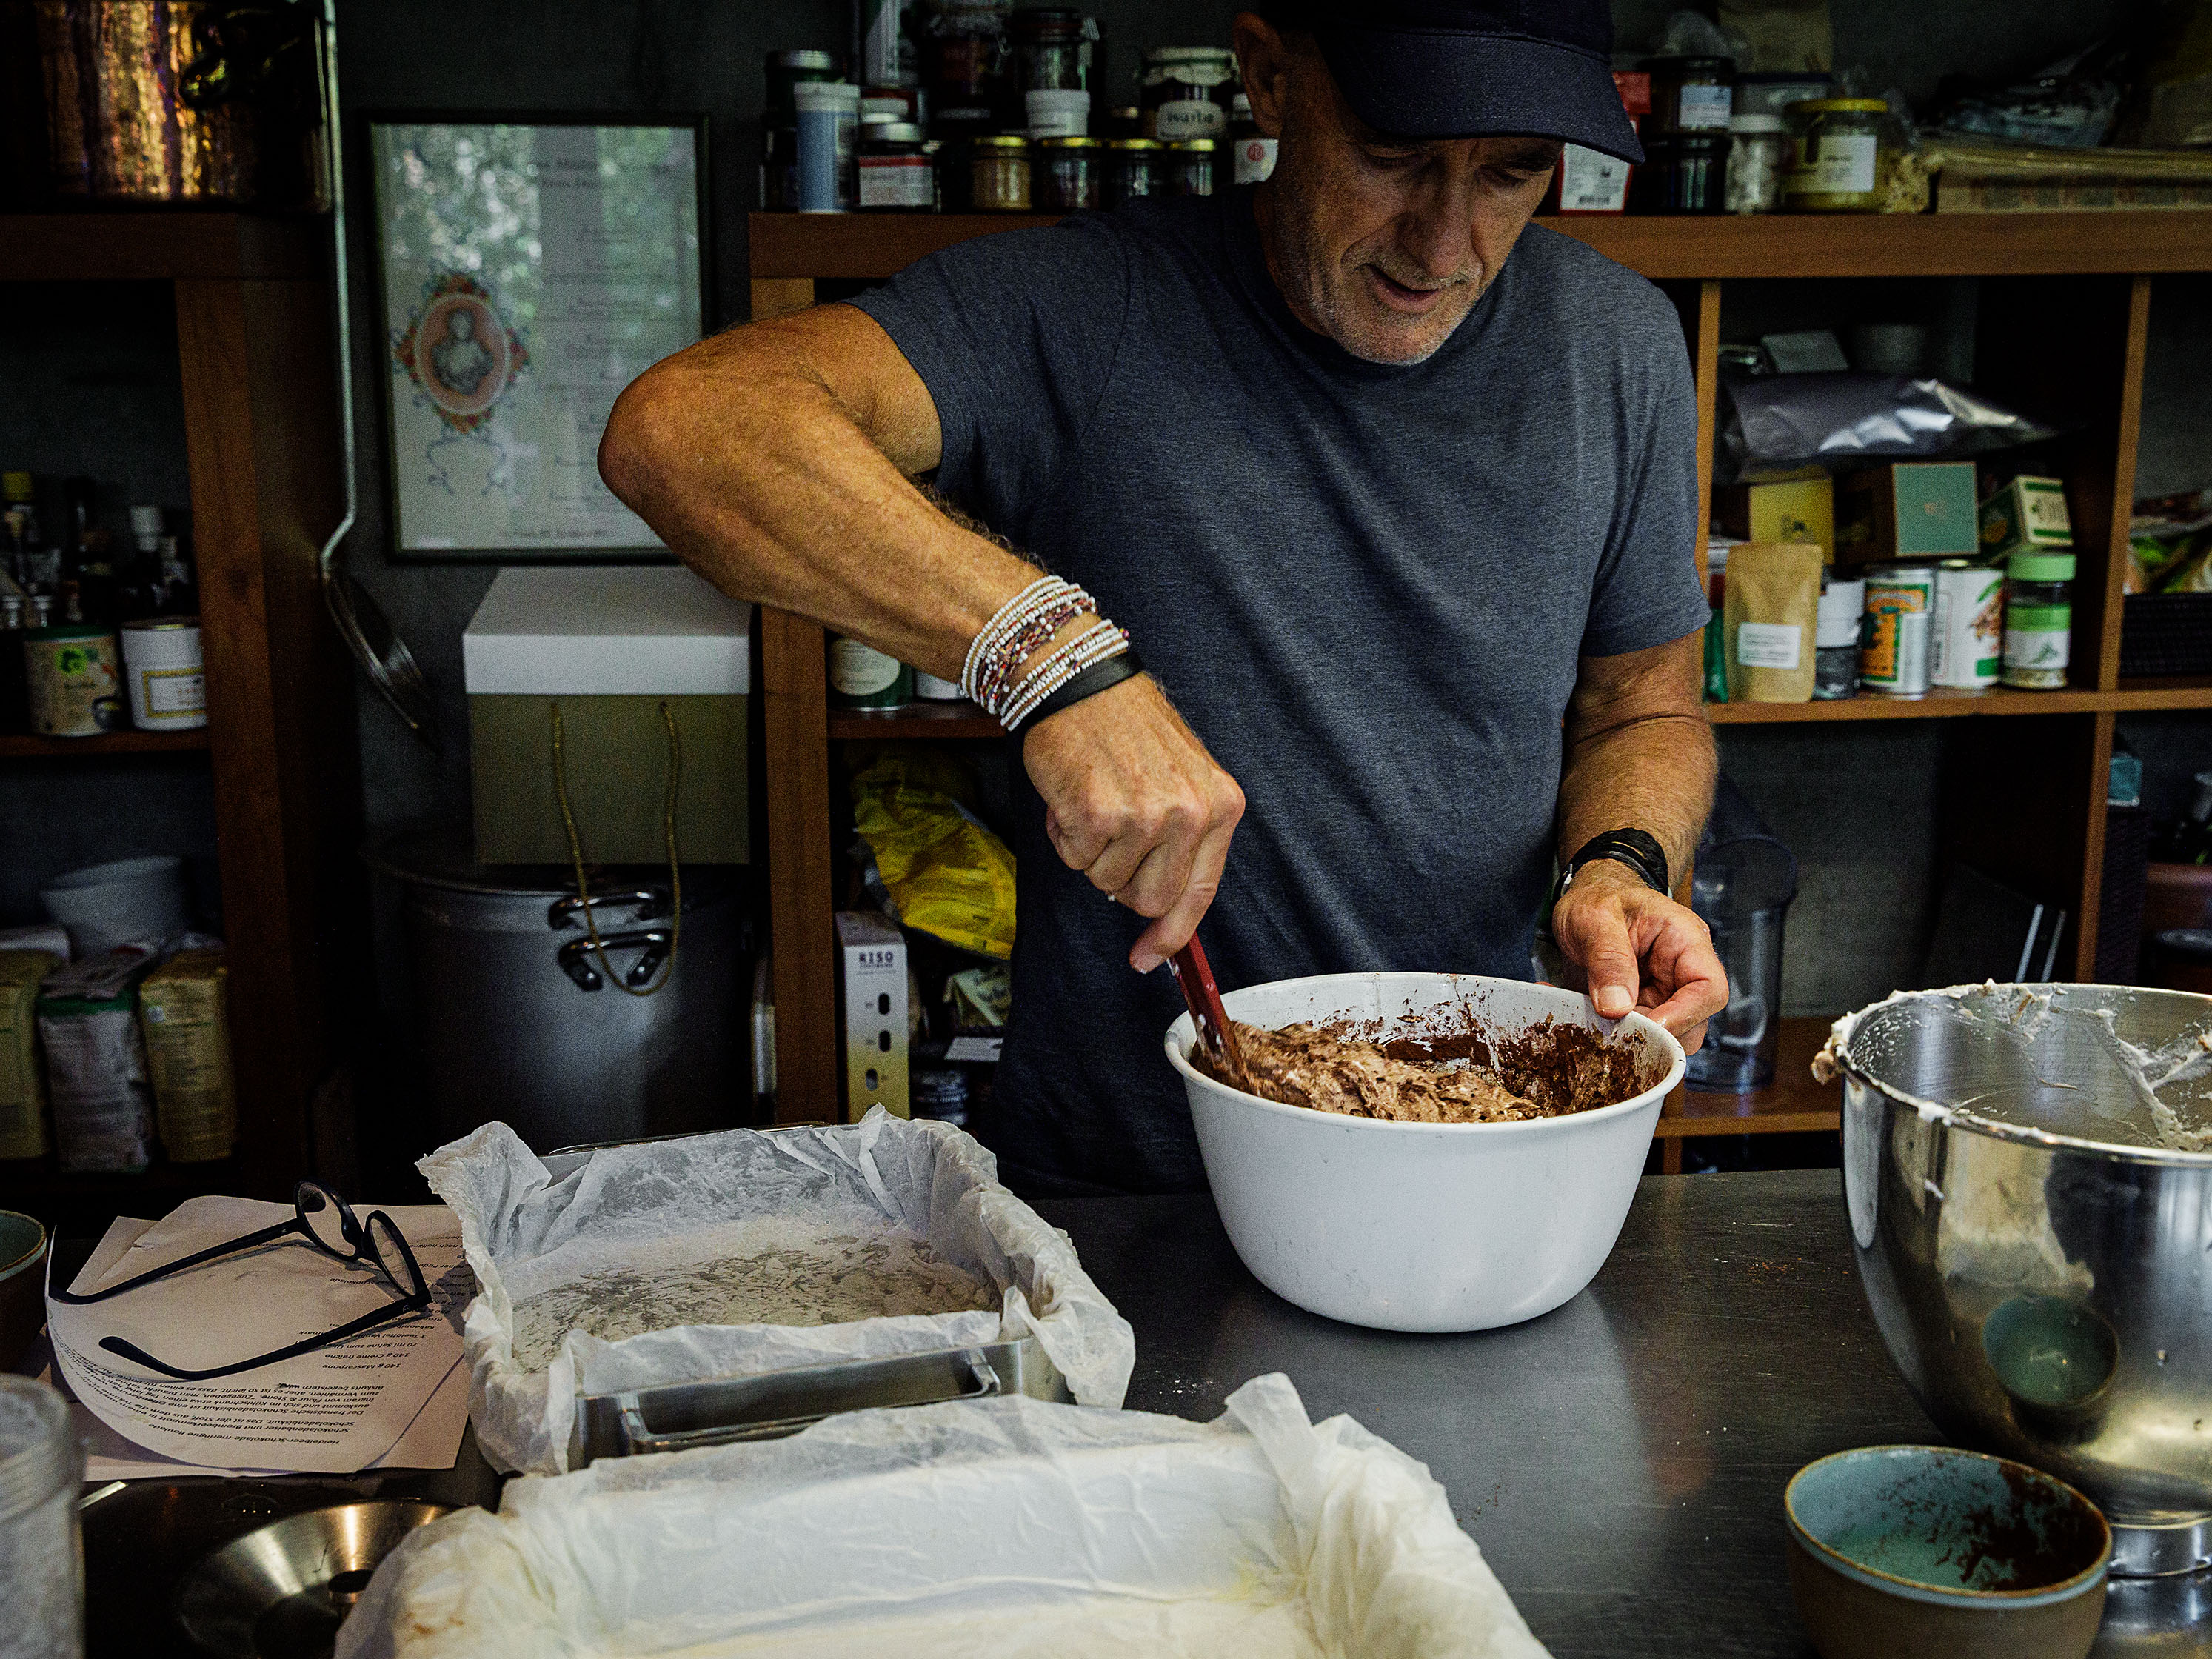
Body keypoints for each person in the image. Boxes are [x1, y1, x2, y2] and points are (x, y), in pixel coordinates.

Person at [599, 0, 1729, 1196]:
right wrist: (1052, 659)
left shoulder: (1619, 348)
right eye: (1393, 160)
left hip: (1485, 1145)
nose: (1444, 244)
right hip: (1132, 1183)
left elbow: (1639, 706)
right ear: (1270, 76)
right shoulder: (1091, 308)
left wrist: (1618, 865)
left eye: (1511, 175)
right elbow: (685, 431)